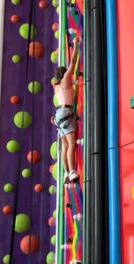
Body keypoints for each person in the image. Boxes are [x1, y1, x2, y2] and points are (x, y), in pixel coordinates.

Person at [53, 37, 80, 184]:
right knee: (72, 144)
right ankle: (72, 171)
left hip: (58, 115)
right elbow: (73, 62)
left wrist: (74, 86)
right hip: (64, 113)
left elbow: (69, 94)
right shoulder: (65, 80)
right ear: (64, 74)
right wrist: (76, 44)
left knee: (65, 146)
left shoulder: (57, 86)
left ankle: (65, 173)